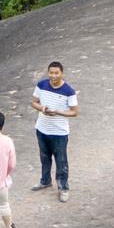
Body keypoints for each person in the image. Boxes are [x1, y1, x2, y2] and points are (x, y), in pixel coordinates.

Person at [29, 61, 77, 202]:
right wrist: (42, 108)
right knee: (44, 158)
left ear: (62, 73)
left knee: (61, 161)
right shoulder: (42, 85)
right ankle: (45, 181)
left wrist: (58, 112)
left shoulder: (69, 91)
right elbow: (34, 102)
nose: (53, 75)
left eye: (56, 73)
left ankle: (63, 188)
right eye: (51, 72)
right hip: (42, 129)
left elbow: (74, 112)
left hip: (59, 133)